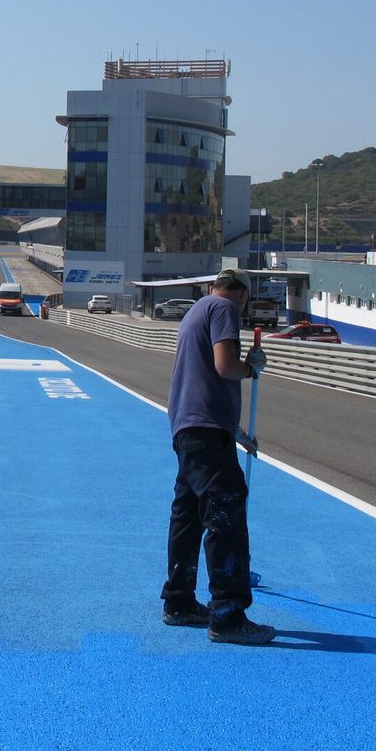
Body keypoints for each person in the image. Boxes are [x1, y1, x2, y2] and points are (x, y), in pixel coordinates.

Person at [161, 267, 272, 645]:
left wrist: (236, 432)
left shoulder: (196, 311)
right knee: (226, 511)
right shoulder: (224, 310)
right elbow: (225, 367)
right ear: (241, 294)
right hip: (206, 432)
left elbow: (202, 379)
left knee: (188, 516)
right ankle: (228, 614)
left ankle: (179, 601)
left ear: (213, 285)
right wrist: (251, 367)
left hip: (188, 428)